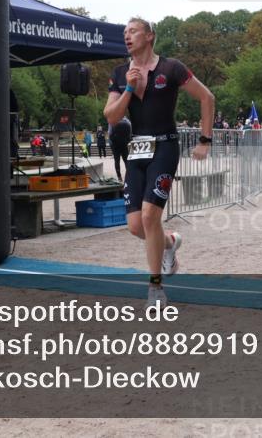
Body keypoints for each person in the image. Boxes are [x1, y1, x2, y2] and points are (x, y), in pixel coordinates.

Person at [104, 18, 215, 307]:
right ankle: (170, 243)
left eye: (133, 31)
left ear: (149, 36)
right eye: (125, 32)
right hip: (137, 149)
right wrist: (128, 89)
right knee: (135, 225)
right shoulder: (119, 73)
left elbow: (207, 97)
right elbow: (112, 117)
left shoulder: (171, 68)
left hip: (165, 145)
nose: (127, 36)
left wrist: (205, 141)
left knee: (150, 216)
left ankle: (155, 288)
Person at [109, 118, 131, 182]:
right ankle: (128, 176)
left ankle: (119, 177)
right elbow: (130, 134)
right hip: (124, 144)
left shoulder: (112, 121)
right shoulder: (127, 122)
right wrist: (127, 141)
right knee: (126, 161)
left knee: (117, 161)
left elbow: (110, 134)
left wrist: (113, 142)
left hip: (115, 145)